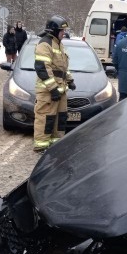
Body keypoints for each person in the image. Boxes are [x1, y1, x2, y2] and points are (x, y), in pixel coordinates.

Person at [33, 15, 75, 153]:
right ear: (53, 31)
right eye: (62, 31)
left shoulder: (59, 44)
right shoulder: (44, 44)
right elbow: (43, 68)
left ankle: (56, 144)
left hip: (60, 89)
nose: (64, 33)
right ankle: (41, 146)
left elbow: (62, 67)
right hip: (48, 91)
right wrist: (53, 89)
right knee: (46, 118)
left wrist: (70, 80)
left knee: (60, 117)